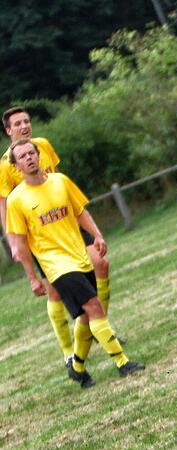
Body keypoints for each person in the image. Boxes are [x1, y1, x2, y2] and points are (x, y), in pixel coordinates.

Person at [5, 139, 145, 388]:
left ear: (39, 156)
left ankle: (77, 367)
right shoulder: (17, 200)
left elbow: (80, 212)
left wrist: (98, 235)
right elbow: (20, 244)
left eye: (31, 153)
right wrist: (32, 277)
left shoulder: (61, 181)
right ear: (16, 166)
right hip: (55, 265)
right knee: (94, 307)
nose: (29, 158)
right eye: (23, 156)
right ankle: (122, 363)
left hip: (79, 256)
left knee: (84, 317)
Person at [1, 106, 117, 367]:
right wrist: (12, 239)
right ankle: (69, 350)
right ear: (9, 131)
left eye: (27, 121)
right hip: (42, 237)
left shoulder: (42, 145)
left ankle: (100, 325)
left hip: (66, 222)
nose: (24, 126)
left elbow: (58, 181)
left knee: (101, 263)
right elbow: (5, 204)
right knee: (54, 292)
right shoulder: (6, 164)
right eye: (18, 124)